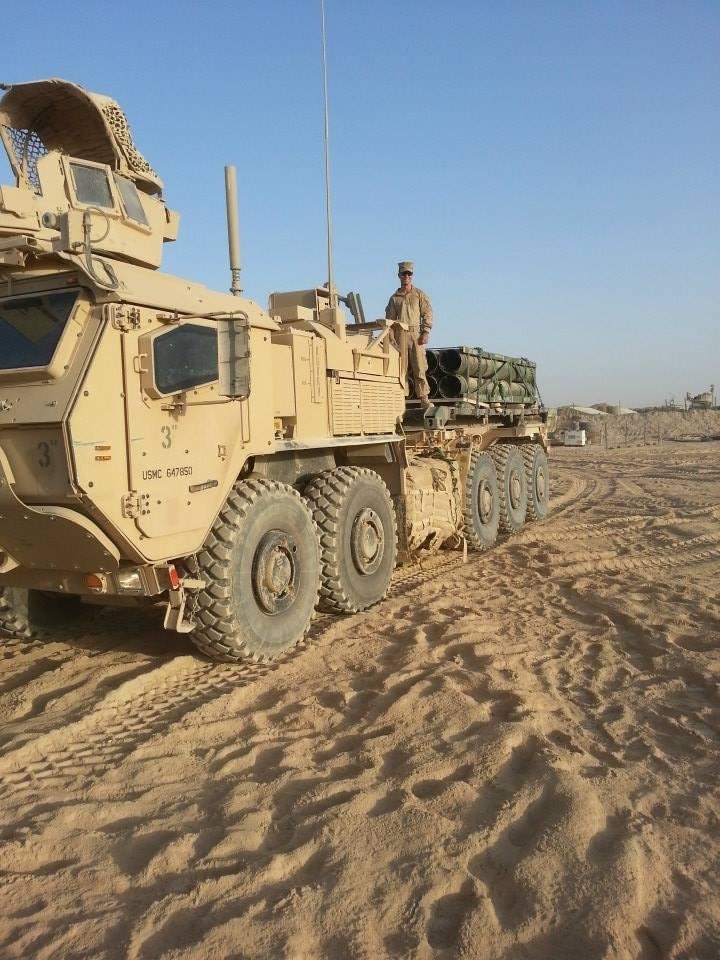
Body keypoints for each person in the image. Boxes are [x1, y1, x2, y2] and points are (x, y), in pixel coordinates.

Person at [385, 260, 433, 406]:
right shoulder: (394, 298)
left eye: (409, 274)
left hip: (415, 334)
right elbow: (389, 321)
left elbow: (428, 313)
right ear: (399, 275)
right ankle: (402, 399)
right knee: (401, 368)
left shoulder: (419, 294)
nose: (406, 276)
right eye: (404, 274)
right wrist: (391, 338)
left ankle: (423, 398)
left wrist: (425, 331)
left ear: (412, 276)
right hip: (400, 335)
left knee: (420, 366)